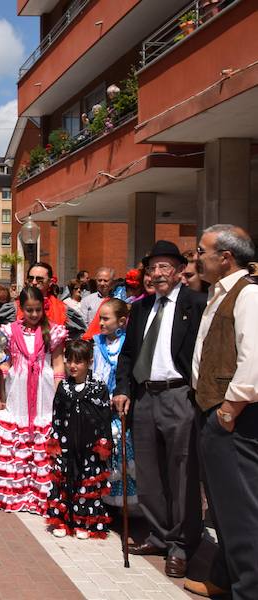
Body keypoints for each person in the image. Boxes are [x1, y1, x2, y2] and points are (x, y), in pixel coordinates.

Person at [113, 240, 206, 579]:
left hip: (179, 394)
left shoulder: (197, 303)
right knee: (149, 471)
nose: (157, 273)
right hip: (144, 396)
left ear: (180, 270)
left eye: (164, 266)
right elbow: (127, 354)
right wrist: (123, 389)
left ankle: (181, 544)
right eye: (152, 268)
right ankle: (159, 533)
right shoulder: (140, 308)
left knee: (182, 473)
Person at [185, 225, 258, 599]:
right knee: (222, 507)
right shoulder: (219, 293)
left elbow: (254, 360)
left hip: (233, 418)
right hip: (213, 412)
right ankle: (228, 578)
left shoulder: (249, 295)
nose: (196, 257)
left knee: (241, 510)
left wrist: (228, 411)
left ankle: (249, 589)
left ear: (225, 257)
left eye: (202, 251)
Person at [0, 285, 67, 515]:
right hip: (17, 390)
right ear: (21, 309)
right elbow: (4, 365)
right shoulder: (10, 331)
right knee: (18, 438)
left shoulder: (53, 331)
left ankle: (40, 497)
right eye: (29, 310)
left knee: (42, 439)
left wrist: (59, 396)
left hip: (44, 391)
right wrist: (2, 396)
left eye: (37, 310)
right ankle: (17, 494)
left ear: (44, 308)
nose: (34, 314)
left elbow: (58, 365)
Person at [46, 339, 112, 539]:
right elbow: (57, 416)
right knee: (64, 483)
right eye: (69, 360)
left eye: (78, 361)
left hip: (89, 448)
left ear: (89, 362)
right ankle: (63, 522)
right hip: (67, 446)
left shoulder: (98, 388)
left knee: (86, 484)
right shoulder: (63, 387)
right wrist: (54, 442)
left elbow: (104, 419)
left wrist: (104, 443)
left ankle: (84, 523)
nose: (73, 365)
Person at [91, 299, 136, 509]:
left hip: (119, 404)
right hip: (99, 404)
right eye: (100, 318)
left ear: (121, 321)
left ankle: (121, 502)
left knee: (120, 446)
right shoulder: (97, 343)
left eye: (106, 319)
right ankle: (101, 499)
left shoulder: (127, 344)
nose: (101, 323)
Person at [0, 262, 85, 338]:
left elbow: (78, 337)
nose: (34, 282)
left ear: (50, 282)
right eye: (31, 278)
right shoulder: (14, 308)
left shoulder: (62, 309)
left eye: (39, 279)